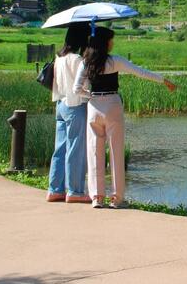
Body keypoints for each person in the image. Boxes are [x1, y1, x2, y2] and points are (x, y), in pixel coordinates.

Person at [73, 26, 176, 209]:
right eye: (111, 40)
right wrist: (163, 80)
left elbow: (76, 89)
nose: (112, 43)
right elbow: (141, 72)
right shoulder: (115, 61)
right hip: (112, 105)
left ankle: (97, 197)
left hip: (94, 106)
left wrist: (90, 95)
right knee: (116, 151)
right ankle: (117, 198)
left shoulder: (85, 62)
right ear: (105, 43)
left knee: (94, 151)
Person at [47, 23, 91, 203]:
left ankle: (55, 189)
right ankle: (75, 191)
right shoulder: (78, 60)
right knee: (75, 150)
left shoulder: (59, 58)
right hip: (76, 106)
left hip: (61, 104)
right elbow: (84, 87)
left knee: (60, 148)